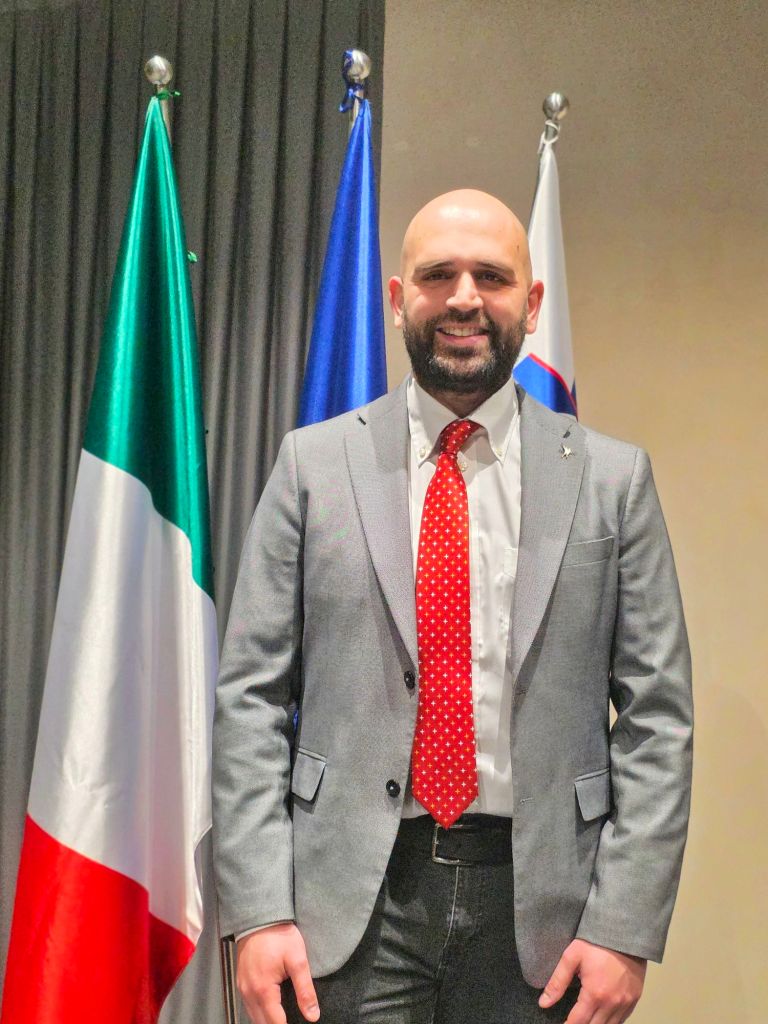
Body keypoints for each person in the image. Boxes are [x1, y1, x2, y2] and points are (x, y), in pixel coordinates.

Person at [212, 190, 693, 1024]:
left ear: (531, 305)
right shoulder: (311, 467)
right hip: (347, 909)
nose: (465, 297)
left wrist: (624, 928)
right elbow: (249, 700)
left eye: (491, 277)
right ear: (399, 300)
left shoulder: (614, 482)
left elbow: (658, 718)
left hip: (545, 916)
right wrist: (259, 910)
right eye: (439, 275)